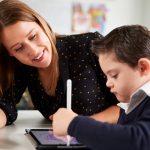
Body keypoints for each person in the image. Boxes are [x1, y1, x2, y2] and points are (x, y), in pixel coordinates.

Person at [0, 0, 119, 128]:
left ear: (42, 24)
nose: (33, 51)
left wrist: (78, 125)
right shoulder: (23, 66)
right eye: (18, 48)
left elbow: (133, 107)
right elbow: (5, 105)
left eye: (33, 36)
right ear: (9, 53)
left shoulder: (89, 45)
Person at [53, 25, 150, 150]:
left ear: (143, 67)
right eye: (107, 76)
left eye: (114, 75)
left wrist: (74, 124)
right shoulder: (135, 105)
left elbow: (138, 140)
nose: (108, 83)